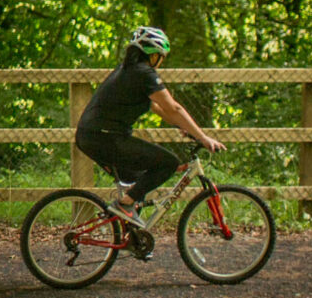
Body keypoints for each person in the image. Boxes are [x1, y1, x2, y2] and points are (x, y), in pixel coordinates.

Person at [74, 26, 224, 226]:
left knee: (139, 182)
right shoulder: (144, 73)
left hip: (92, 136)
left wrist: (187, 129)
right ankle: (124, 206)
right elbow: (174, 109)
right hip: (105, 138)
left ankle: (130, 236)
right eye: (162, 56)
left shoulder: (128, 70)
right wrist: (203, 137)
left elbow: (159, 108)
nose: (162, 61)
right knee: (168, 163)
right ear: (154, 55)